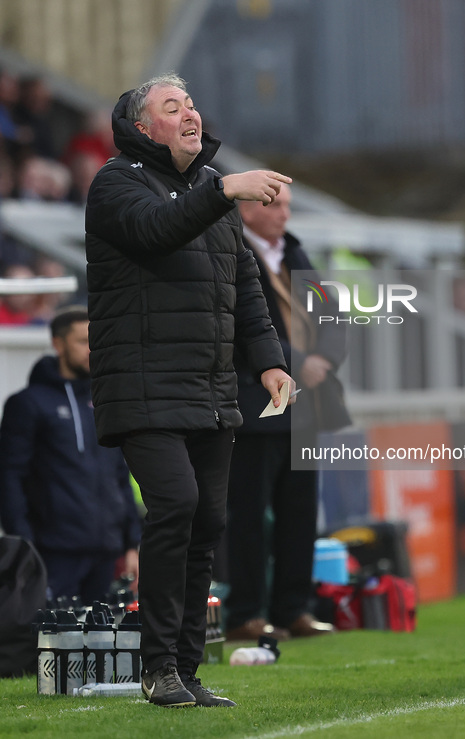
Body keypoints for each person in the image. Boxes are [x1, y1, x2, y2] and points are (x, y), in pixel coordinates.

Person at [85, 73, 294, 708]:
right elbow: (156, 231)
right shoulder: (115, 182)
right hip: (142, 384)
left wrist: (269, 361)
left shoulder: (208, 192)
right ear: (143, 129)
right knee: (174, 503)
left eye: (193, 104)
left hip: (209, 387)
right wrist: (227, 187)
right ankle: (155, 668)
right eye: (172, 108)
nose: (190, 114)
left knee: (209, 519)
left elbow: (246, 288)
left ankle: (184, 670)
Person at [224, 183, 350, 642]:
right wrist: (299, 362)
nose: (283, 214)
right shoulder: (230, 252)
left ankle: (293, 608)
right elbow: (241, 327)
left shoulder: (297, 255)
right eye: (273, 204)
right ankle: (245, 614)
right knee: (249, 516)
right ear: (246, 209)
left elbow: (334, 317)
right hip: (257, 405)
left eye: (287, 206)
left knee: (299, 513)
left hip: (307, 407)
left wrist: (325, 362)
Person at [0, 306, 141, 604]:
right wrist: (24, 544)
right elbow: (10, 475)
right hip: (51, 551)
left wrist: (132, 542)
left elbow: (119, 476)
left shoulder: (105, 403)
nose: (91, 349)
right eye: (81, 341)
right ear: (58, 344)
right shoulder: (28, 403)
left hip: (106, 550)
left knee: (102, 645)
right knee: (49, 643)